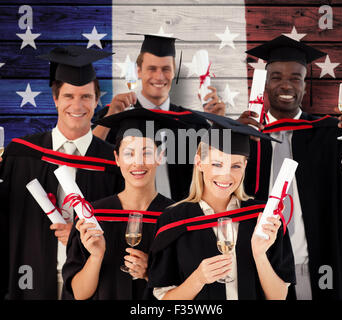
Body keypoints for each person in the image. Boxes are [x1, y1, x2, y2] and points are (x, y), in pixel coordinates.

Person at [0, 46, 123, 299]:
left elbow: (129, 226)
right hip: (31, 283)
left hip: (93, 285)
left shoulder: (115, 162)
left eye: (86, 97)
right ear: (56, 99)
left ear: (97, 100)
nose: (77, 105)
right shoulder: (21, 154)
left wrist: (78, 240)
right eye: (69, 96)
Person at [239, 35, 342, 299]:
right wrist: (229, 135)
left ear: (305, 86)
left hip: (317, 266)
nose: (286, 84)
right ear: (265, 84)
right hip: (259, 266)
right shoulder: (245, 135)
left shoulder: (329, 134)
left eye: (295, 78)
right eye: (276, 76)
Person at [148, 111, 295, 300]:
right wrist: (198, 279)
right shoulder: (173, 220)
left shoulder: (263, 217)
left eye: (236, 166)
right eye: (217, 164)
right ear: (199, 162)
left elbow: (279, 296)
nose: (226, 175)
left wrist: (259, 254)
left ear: (245, 167)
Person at [62, 108, 185, 300]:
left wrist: (149, 274)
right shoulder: (93, 215)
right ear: (117, 159)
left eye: (147, 153)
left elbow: (188, 290)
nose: (138, 163)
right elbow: (79, 294)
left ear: (160, 157)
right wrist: (96, 256)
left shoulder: (178, 217)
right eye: (129, 153)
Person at [92, 33, 224, 201]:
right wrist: (110, 118)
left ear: (174, 72)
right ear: (138, 71)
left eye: (165, 69)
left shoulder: (192, 122)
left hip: (178, 218)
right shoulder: (115, 116)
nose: (159, 76)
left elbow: (216, 170)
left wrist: (219, 125)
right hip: (126, 217)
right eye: (152, 68)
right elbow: (89, 158)